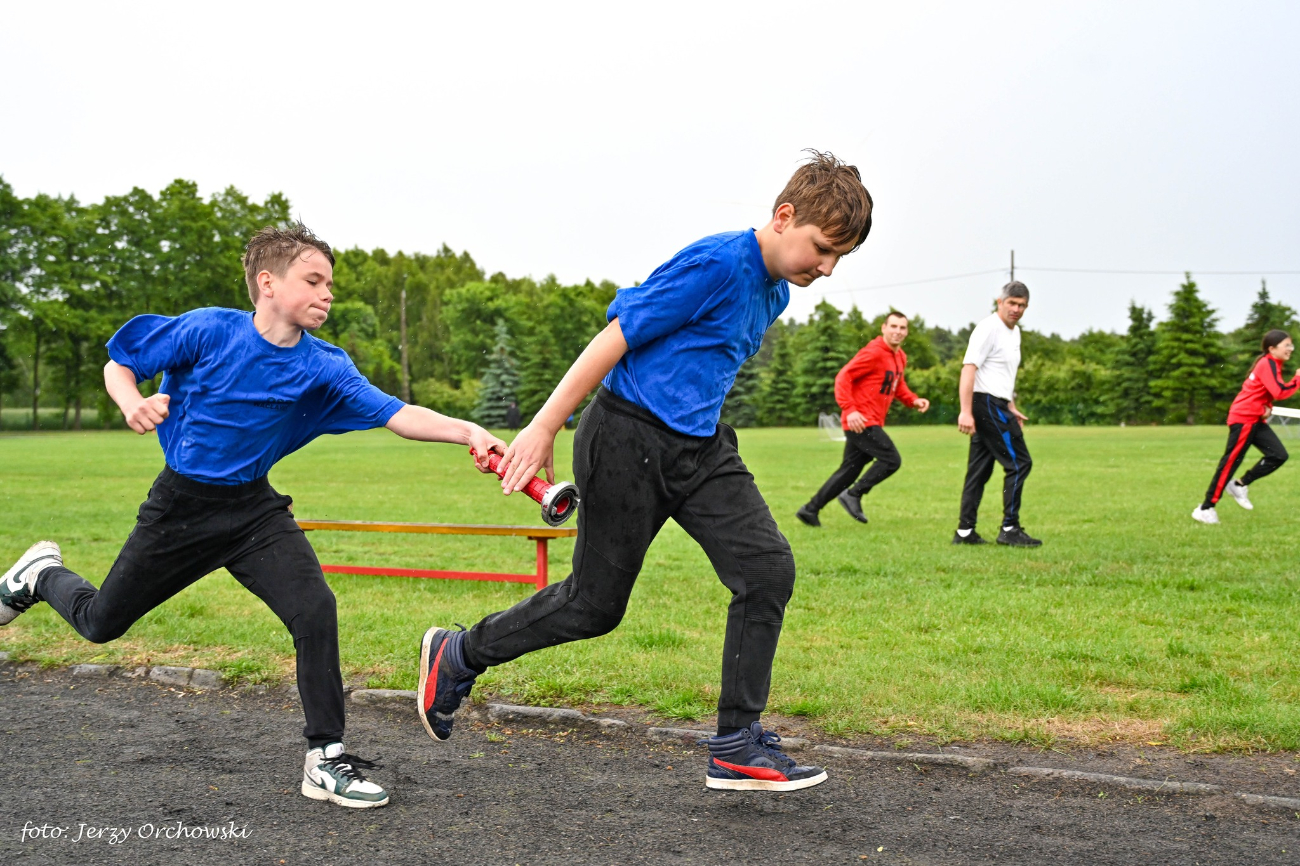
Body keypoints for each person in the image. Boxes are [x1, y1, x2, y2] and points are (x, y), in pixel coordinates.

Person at [0, 224, 504, 809]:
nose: (327, 294)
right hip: (180, 510)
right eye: (313, 280)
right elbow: (121, 363)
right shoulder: (210, 330)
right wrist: (132, 401)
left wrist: (467, 430)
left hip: (252, 513)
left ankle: (326, 758)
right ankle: (38, 576)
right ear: (268, 283)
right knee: (100, 624)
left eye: (330, 284)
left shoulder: (324, 364)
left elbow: (396, 413)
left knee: (314, 608)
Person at [416, 151, 874, 792]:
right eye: (822, 248)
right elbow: (617, 336)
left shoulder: (773, 294)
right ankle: (458, 654)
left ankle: (737, 743)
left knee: (767, 569)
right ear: (784, 215)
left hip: (700, 448)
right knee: (594, 606)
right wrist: (546, 424)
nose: (825, 268)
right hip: (627, 439)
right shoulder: (717, 262)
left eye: (839, 259)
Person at [796, 311, 930, 527]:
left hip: (870, 420)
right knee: (891, 460)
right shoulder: (874, 352)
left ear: (907, 332)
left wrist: (913, 400)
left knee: (848, 471)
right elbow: (844, 376)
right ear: (883, 328)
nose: (897, 331)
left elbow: (897, 384)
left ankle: (810, 510)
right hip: (861, 421)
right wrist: (850, 409)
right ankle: (854, 494)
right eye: (893, 326)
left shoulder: (899, 356)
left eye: (902, 328)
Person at [952, 281, 1041, 547]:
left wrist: (1011, 405)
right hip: (985, 404)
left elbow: (1004, 374)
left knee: (978, 471)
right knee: (1019, 463)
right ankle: (1010, 528)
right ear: (999, 302)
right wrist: (965, 411)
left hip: (998, 403)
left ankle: (965, 532)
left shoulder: (1014, 333)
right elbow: (969, 369)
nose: (1016, 309)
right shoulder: (988, 328)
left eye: (1022, 305)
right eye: (1012, 303)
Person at [1192, 329, 1297, 524]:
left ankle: (1240, 484)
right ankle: (1205, 508)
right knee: (1230, 463)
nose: (1290, 349)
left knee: (1278, 455)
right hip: (1244, 419)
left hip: (1255, 418)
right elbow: (1280, 391)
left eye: (1291, 345)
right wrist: (1298, 379)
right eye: (1287, 345)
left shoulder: (1272, 363)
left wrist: (1267, 407)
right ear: (1272, 348)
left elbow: (1262, 392)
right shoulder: (1268, 363)